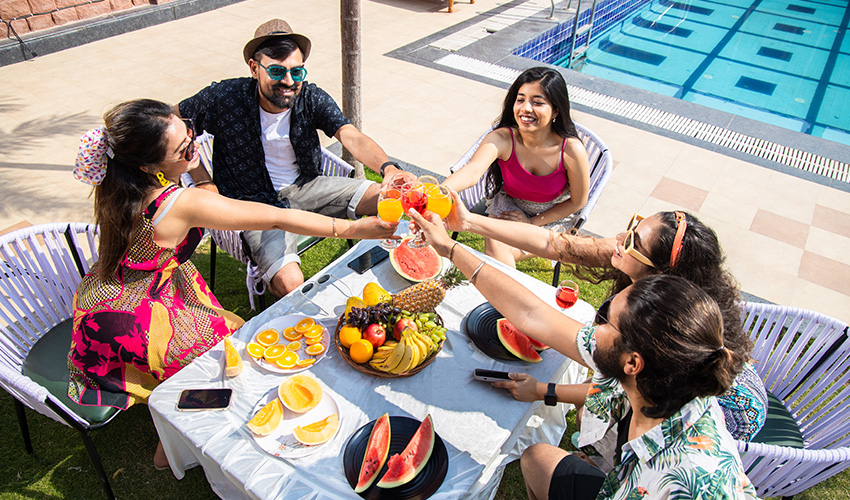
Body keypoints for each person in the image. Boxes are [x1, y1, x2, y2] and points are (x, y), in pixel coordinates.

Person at [67, 99, 396, 469]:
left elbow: (207, 199)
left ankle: (168, 416)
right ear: (149, 165)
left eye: (189, 131)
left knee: (225, 350)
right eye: (184, 149)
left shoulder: (120, 187)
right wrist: (351, 228)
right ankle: (171, 446)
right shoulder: (177, 203)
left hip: (108, 296)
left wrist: (196, 168)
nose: (195, 144)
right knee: (220, 365)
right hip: (140, 316)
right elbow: (273, 218)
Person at [409, 208, 757, 500]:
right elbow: (537, 310)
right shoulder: (660, 361)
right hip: (628, 455)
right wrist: (547, 391)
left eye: (606, 327)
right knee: (537, 459)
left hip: (711, 431)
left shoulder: (688, 481)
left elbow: (537, 318)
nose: (591, 331)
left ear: (633, 363)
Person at [435, 196, 767, 441]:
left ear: (661, 275)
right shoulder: (644, 272)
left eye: (635, 241)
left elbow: (533, 316)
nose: (621, 240)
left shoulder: (658, 335)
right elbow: (554, 243)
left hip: (729, 412)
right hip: (694, 378)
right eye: (633, 226)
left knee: (594, 419)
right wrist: (468, 221)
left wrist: (451, 251)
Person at [177, 19, 415, 298]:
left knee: (393, 196)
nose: (288, 81)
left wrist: (387, 168)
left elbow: (351, 136)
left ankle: (401, 273)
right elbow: (173, 123)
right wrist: (202, 179)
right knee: (289, 282)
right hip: (252, 204)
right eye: (277, 71)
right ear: (255, 68)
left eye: (296, 71)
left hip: (306, 186)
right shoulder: (225, 97)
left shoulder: (310, 97)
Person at [442, 66, 590, 267]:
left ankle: (501, 293)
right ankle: (505, 294)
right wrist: (439, 190)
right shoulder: (503, 138)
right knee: (496, 243)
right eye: (520, 99)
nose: (526, 108)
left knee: (497, 249)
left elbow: (578, 202)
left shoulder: (571, 150)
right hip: (510, 207)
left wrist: (532, 222)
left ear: (556, 110)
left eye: (537, 102)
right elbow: (473, 170)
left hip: (553, 214)